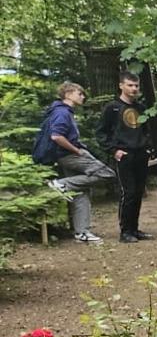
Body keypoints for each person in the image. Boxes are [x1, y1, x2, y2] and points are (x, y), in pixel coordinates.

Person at [32, 82, 114, 243]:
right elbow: (56, 136)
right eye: (79, 93)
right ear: (68, 94)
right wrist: (76, 150)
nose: (83, 97)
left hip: (65, 155)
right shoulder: (62, 112)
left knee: (80, 191)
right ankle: (60, 184)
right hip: (69, 155)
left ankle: (82, 232)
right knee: (106, 173)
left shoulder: (63, 111)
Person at [95, 71, 153, 242]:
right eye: (130, 85)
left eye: (136, 85)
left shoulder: (140, 108)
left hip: (140, 154)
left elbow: (146, 130)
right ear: (121, 86)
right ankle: (125, 231)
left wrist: (147, 148)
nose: (134, 88)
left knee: (138, 192)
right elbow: (101, 132)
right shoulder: (112, 108)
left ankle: (134, 229)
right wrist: (114, 150)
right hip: (124, 155)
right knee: (128, 192)